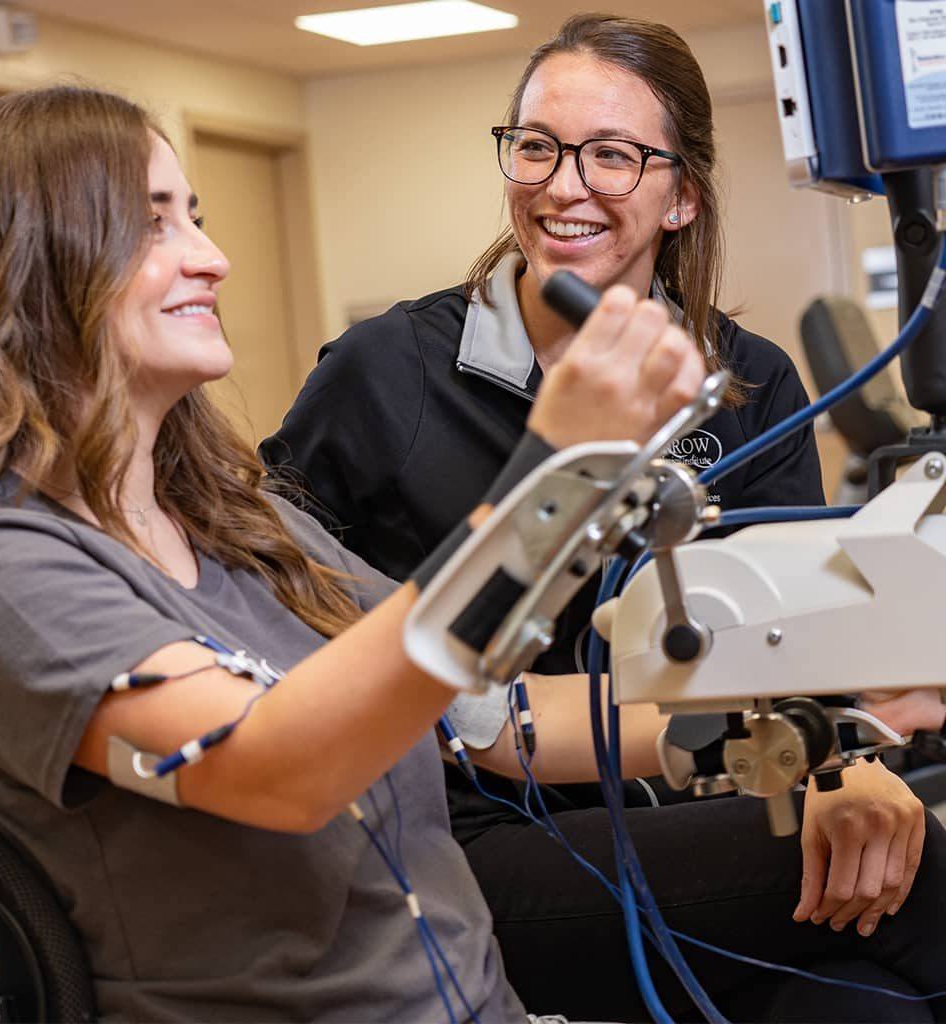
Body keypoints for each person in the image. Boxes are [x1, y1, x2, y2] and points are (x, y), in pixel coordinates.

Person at [0, 84, 732, 1023]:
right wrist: (549, 477)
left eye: (198, 218)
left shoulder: (236, 518)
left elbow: (480, 709)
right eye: (155, 228)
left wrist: (761, 725)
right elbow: (281, 767)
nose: (213, 259)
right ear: (26, 268)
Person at [259, 13, 946, 1022]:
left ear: (683, 196)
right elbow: (264, 588)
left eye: (612, 156)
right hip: (462, 842)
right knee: (927, 878)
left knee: (864, 1008)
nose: (562, 184)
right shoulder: (385, 372)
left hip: (694, 811)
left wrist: (845, 769)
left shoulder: (744, 382)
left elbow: (795, 658)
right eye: (536, 146)